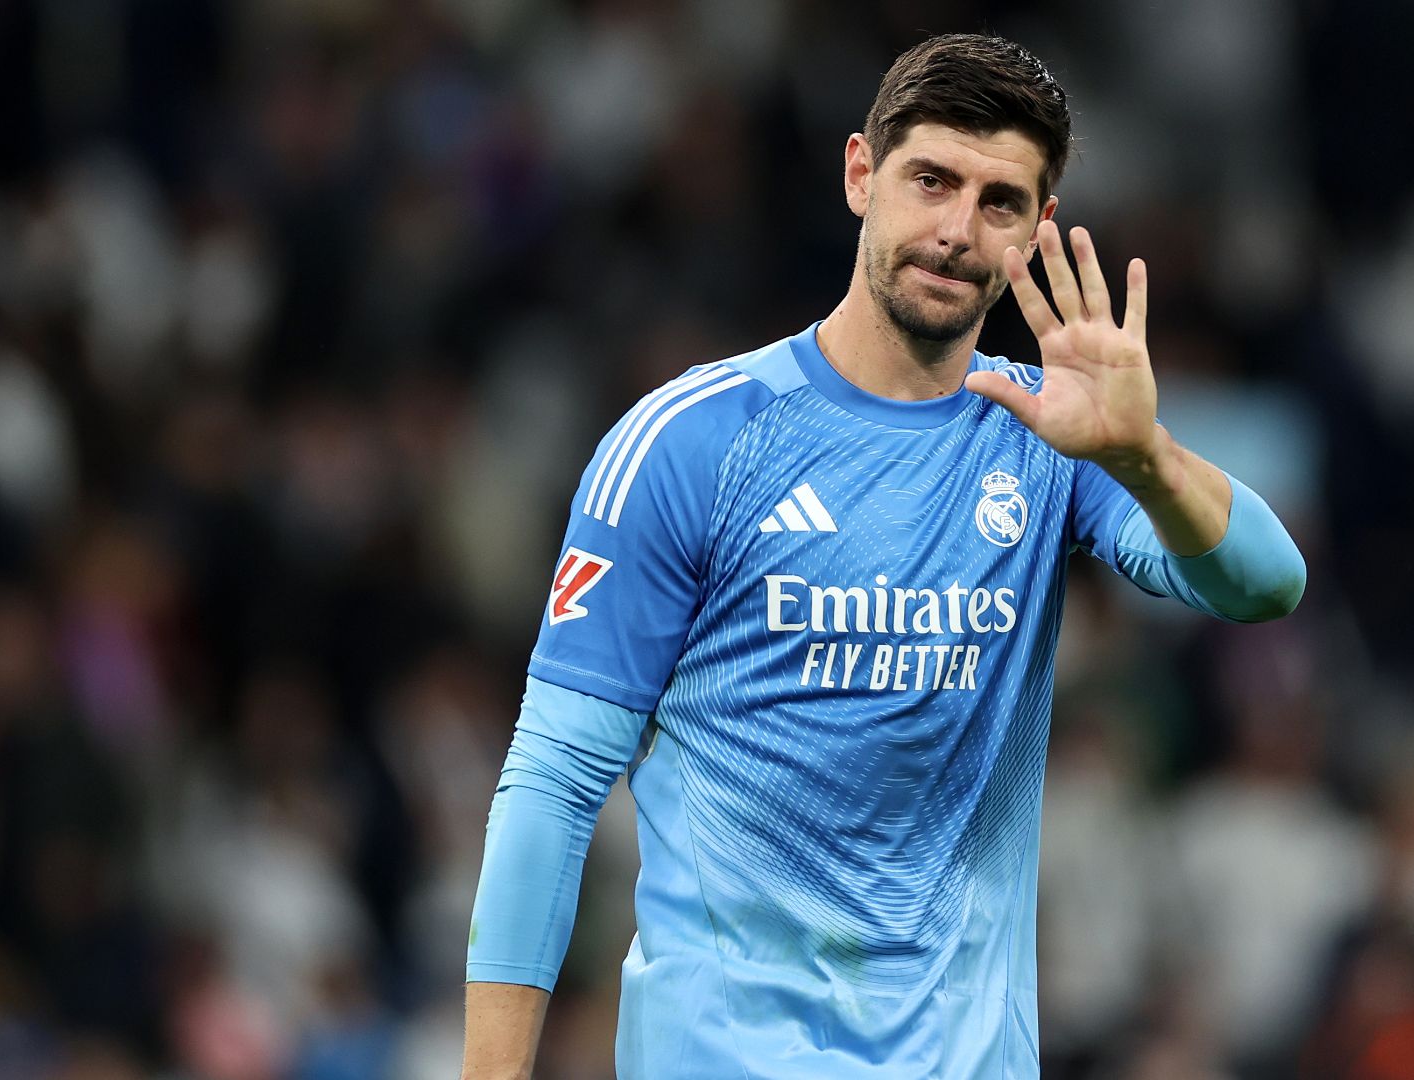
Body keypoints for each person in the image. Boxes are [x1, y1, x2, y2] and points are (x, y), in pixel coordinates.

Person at [460, 32, 1306, 1080]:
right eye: (932, 180)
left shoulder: (1051, 435)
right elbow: (553, 782)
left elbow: (1268, 585)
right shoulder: (690, 443)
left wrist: (1146, 457)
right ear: (862, 174)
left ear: (1039, 229)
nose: (956, 230)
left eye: (999, 203)